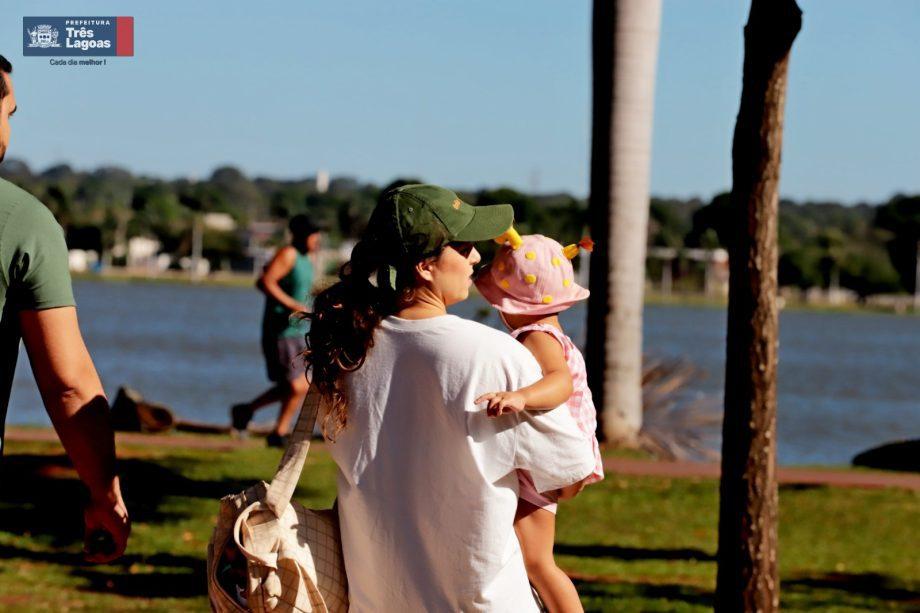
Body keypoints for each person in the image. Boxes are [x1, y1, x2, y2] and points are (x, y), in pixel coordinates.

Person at [304, 184, 596, 611]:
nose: (477, 258)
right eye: (463, 248)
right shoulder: (494, 354)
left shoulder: (345, 351)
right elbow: (569, 479)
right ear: (425, 265)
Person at [0, 54, 129, 562]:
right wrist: (105, 495)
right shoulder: (22, 223)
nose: (10, 129)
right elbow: (68, 384)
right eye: (9, 113)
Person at [473, 234, 604, 612]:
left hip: (551, 461)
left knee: (537, 562)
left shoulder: (537, 337)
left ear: (513, 305)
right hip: (559, 458)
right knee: (526, 555)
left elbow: (559, 382)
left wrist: (520, 397)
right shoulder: (553, 334)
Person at [231, 214, 320, 447]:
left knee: (293, 385)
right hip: (280, 331)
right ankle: (278, 432)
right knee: (296, 385)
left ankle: (249, 412)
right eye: (314, 234)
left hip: (299, 330)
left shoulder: (307, 258)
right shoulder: (288, 254)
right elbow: (265, 282)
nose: (317, 238)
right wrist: (291, 305)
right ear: (302, 235)